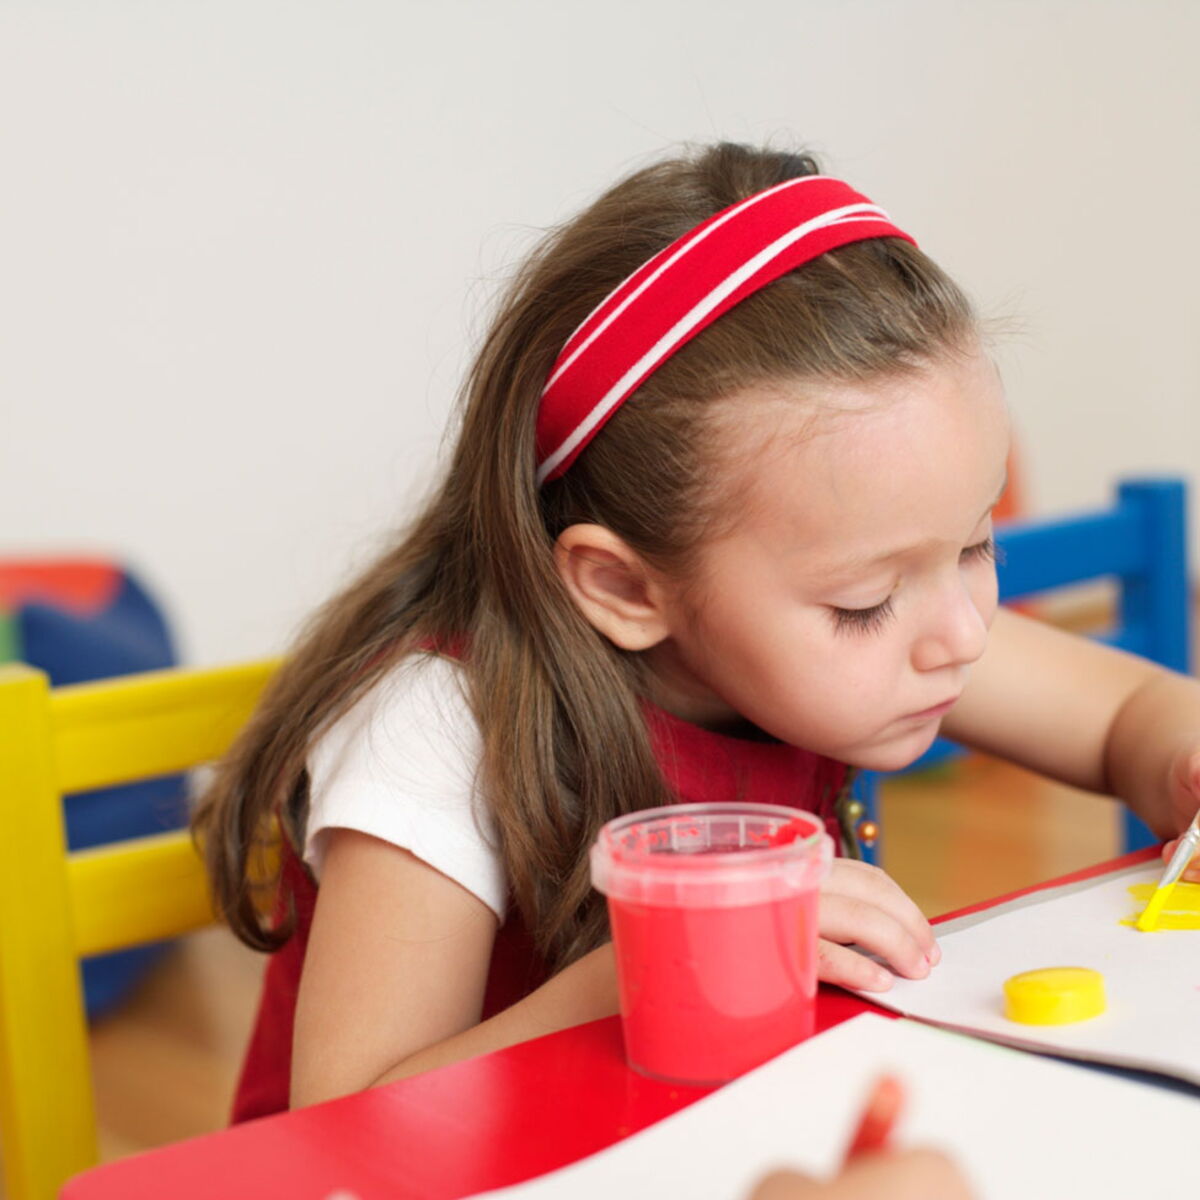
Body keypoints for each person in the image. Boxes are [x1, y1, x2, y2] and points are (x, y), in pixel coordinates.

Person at [193, 142, 1200, 1125]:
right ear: (628, 589)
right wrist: (664, 957)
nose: (961, 633)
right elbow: (348, 1121)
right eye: (862, 602)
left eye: (977, 542)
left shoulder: (884, 641)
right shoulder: (439, 734)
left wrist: (1180, 760)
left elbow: (1133, 719)